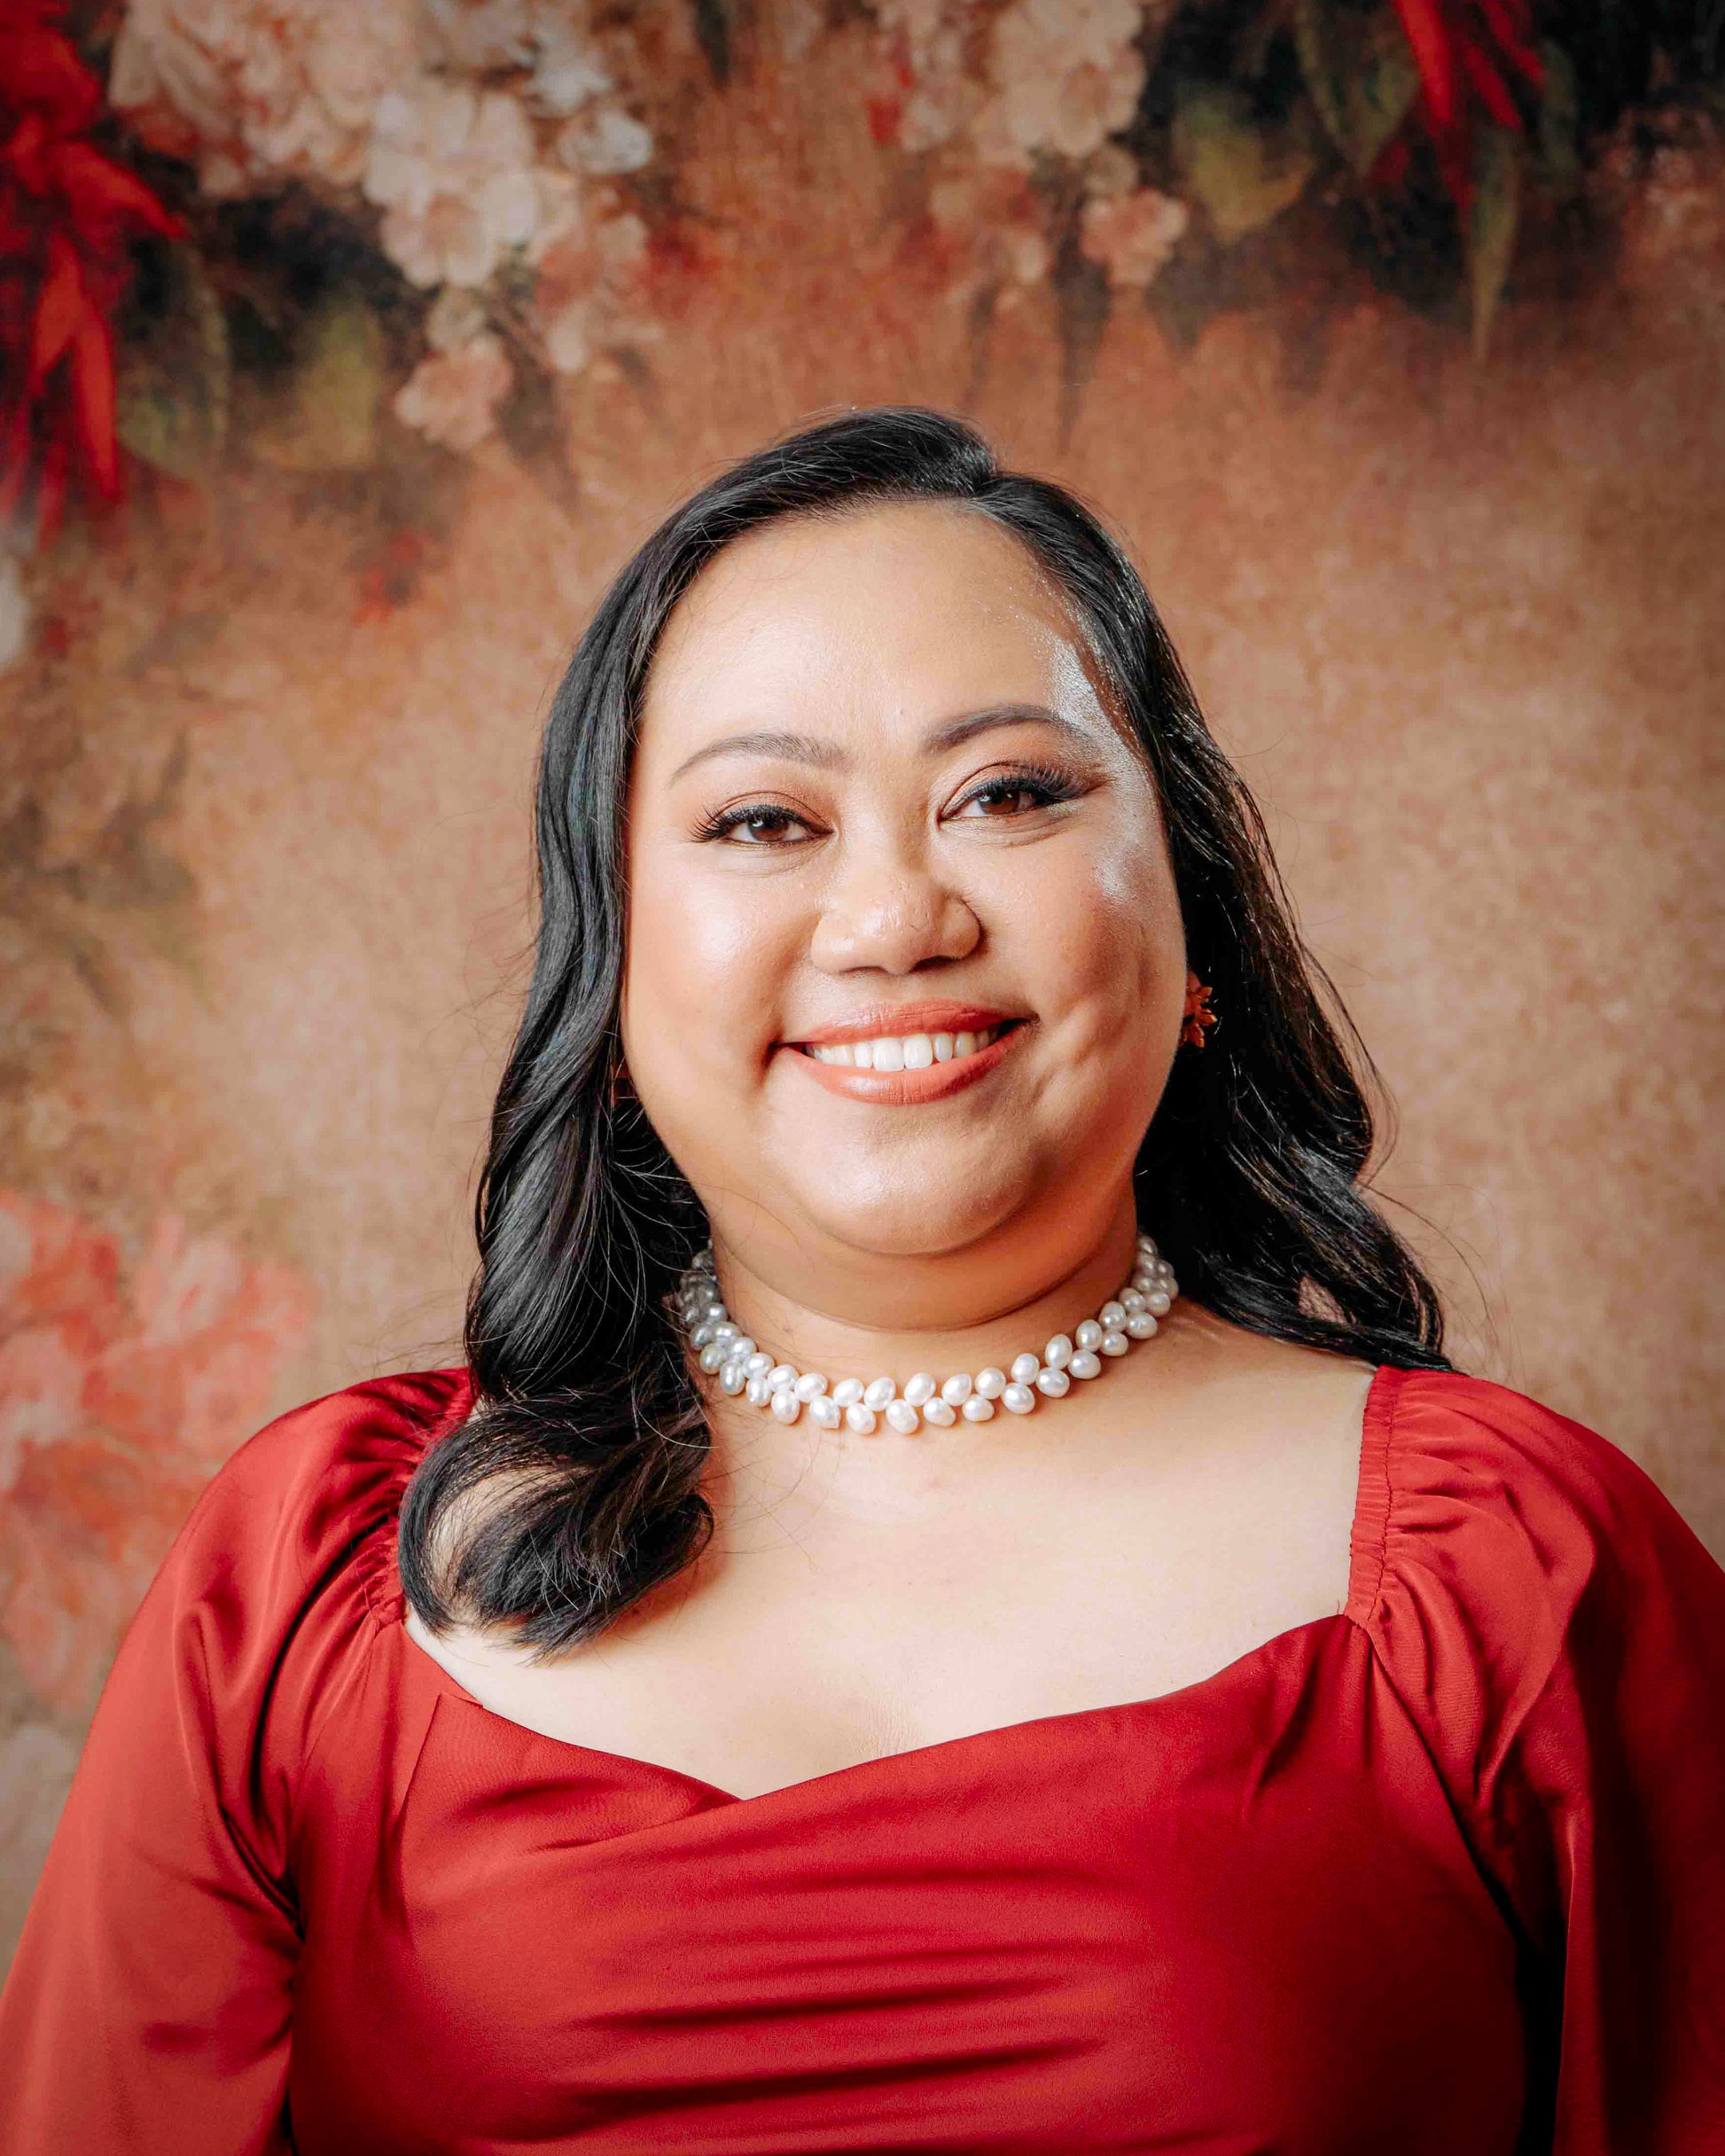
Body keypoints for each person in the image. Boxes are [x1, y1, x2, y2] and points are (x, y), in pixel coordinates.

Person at [2, 406, 1721, 2153]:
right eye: (761, 819)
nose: (895, 915)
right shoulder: (307, 1581)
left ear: (1190, 917)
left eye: (1008, 792)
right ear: (610, 971)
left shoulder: (1519, 1573)